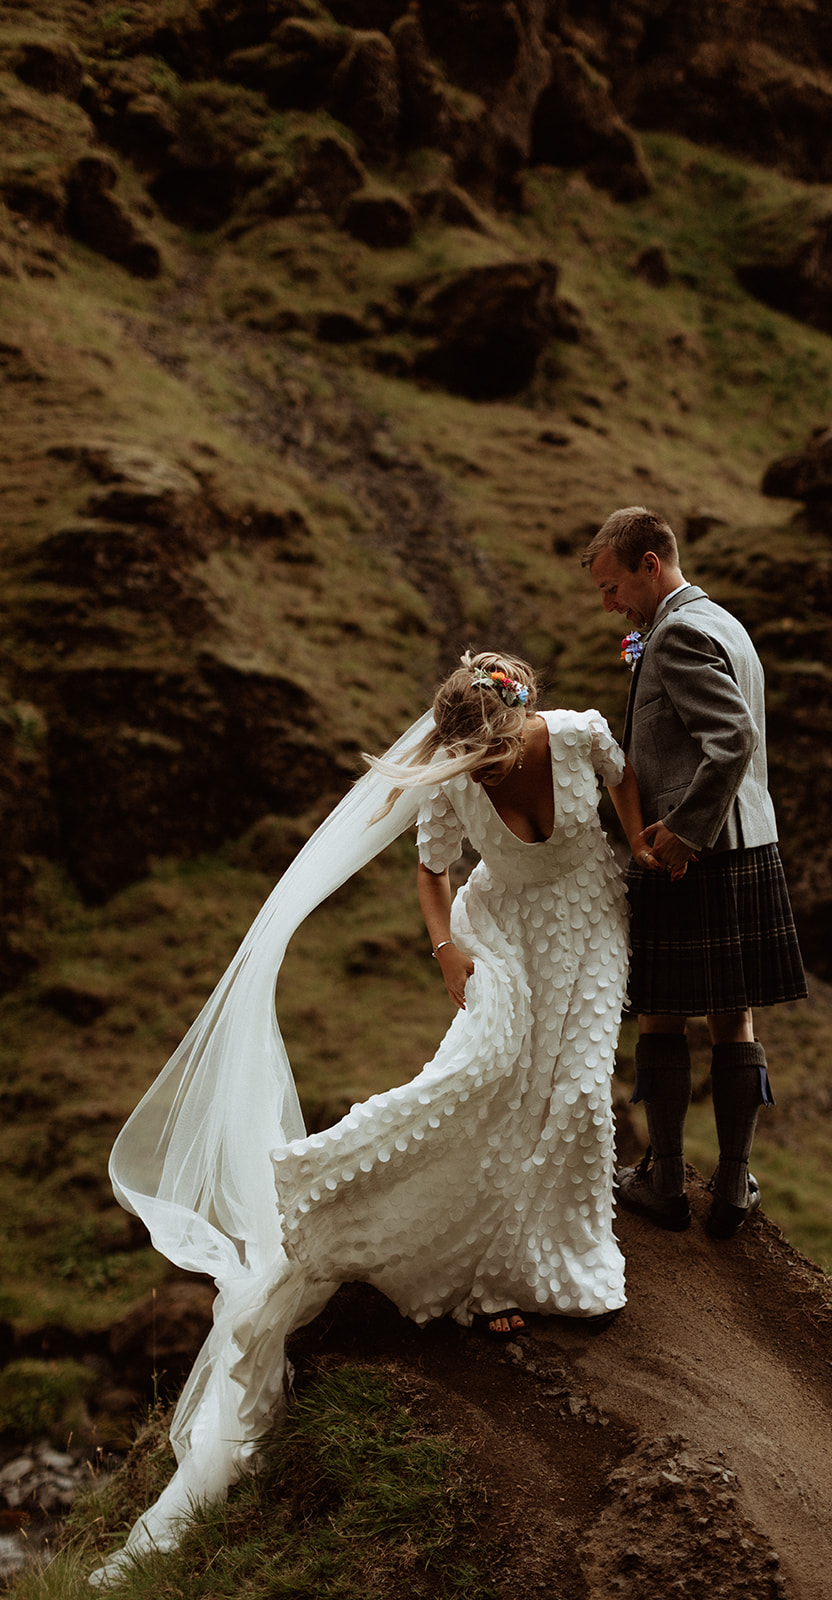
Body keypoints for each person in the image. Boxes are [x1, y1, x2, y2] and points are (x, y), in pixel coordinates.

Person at [90, 650, 647, 1583]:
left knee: (583, 1089)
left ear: (521, 726)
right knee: (485, 1079)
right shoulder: (451, 783)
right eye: (467, 763)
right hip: (498, 931)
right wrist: (447, 954)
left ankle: (564, 1247)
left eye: (494, 758)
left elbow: (631, 805)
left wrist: (646, 851)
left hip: (590, 921)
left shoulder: (583, 736)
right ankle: (427, 1226)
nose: (481, 774)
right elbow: (435, 877)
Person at [583, 507, 807, 1241]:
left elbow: (732, 737)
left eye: (614, 587)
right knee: (731, 1016)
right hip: (747, 846)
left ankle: (667, 1180)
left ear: (651, 563)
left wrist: (682, 833)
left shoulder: (676, 633)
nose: (608, 604)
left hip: (694, 851)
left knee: (660, 1014)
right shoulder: (723, 622)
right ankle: (734, 1185)